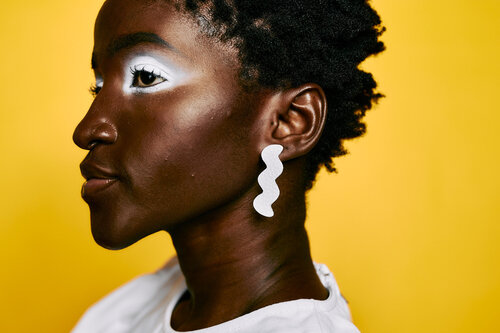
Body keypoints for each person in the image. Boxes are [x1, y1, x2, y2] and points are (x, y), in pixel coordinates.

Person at [71, 0, 385, 332]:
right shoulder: (121, 313)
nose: (88, 129)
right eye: (99, 85)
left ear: (289, 122)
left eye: (146, 77)